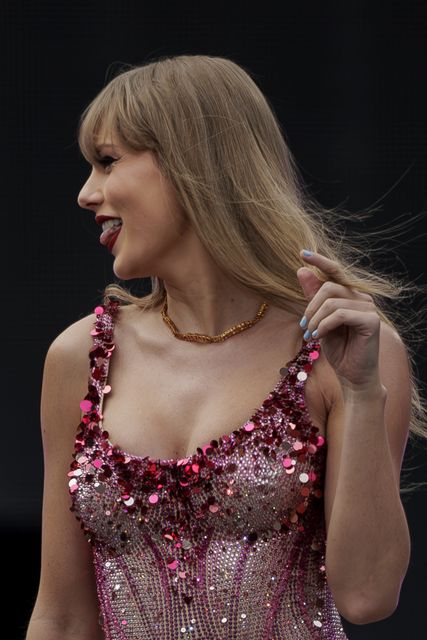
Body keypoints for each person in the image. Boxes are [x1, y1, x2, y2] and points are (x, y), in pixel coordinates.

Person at [26, 54, 426, 640]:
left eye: (108, 162)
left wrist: (364, 392)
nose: (87, 193)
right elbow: (60, 615)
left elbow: (366, 597)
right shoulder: (80, 357)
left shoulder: (341, 346)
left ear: (193, 162)